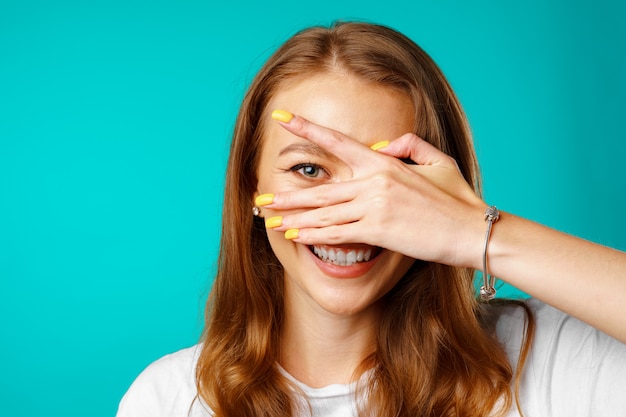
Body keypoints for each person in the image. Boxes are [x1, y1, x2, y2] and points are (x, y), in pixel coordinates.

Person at [116, 21, 626, 417]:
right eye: (308, 168)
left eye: (392, 178)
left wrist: (477, 232)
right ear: (253, 188)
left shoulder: (550, 358)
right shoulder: (170, 397)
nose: (351, 216)